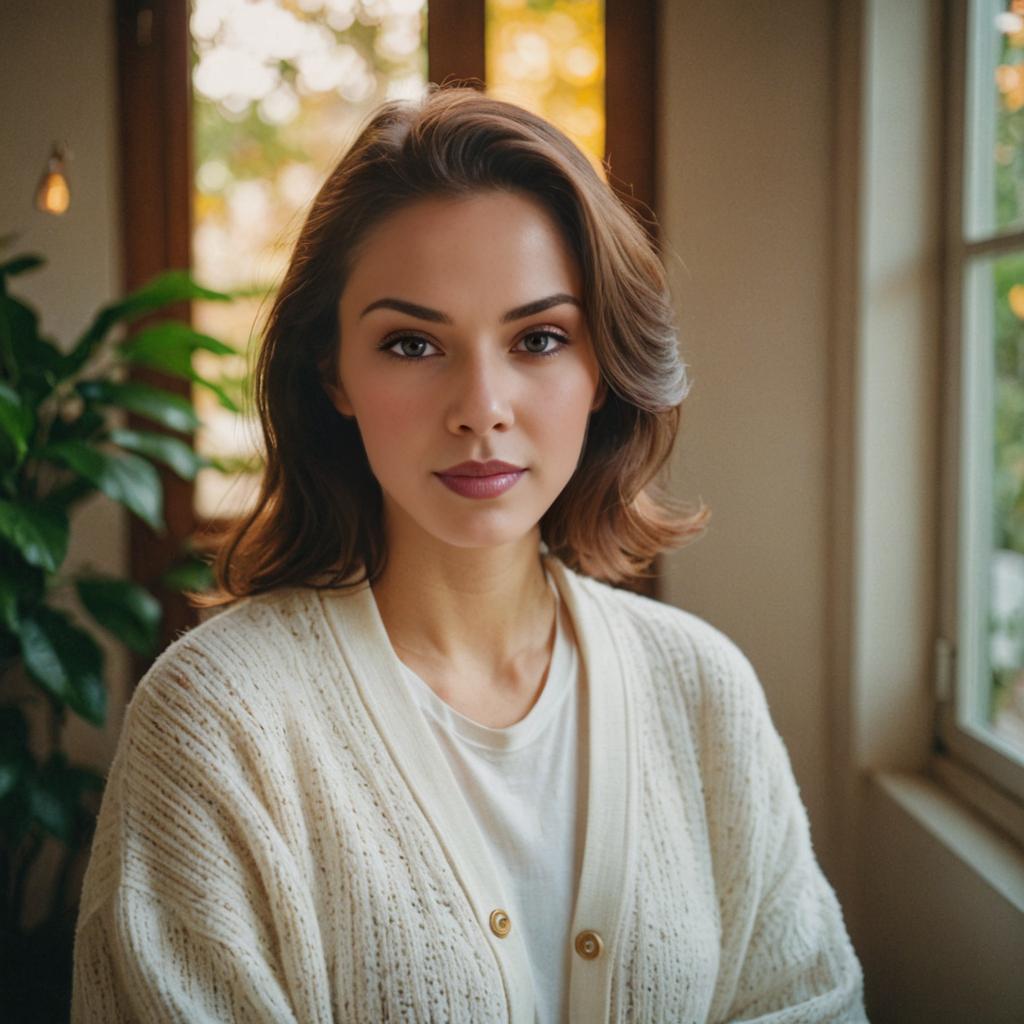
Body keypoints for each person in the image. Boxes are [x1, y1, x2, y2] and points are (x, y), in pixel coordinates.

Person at [70, 84, 868, 1023]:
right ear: (333, 372)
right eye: (412, 344)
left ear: (602, 365)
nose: (481, 406)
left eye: (538, 338)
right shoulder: (217, 720)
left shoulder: (701, 688)